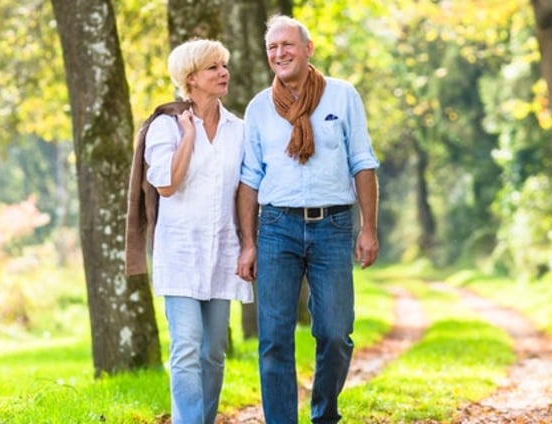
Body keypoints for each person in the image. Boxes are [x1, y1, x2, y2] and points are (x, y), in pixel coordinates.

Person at [235, 15, 380, 424]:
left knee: (335, 333)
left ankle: (324, 414)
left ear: (308, 48)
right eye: (272, 48)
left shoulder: (342, 96)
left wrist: (368, 228)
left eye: (287, 45)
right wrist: (248, 242)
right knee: (274, 339)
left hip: (333, 226)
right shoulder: (260, 108)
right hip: (276, 228)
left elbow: (363, 164)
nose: (279, 54)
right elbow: (249, 179)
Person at [141, 39, 254, 424]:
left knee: (214, 352)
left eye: (224, 65)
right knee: (186, 347)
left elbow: (245, 191)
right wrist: (188, 136)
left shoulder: (238, 129)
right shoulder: (164, 126)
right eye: (213, 67)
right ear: (190, 78)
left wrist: (248, 246)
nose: (224, 73)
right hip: (180, 254)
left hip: (223, 251)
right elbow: (167, 184)